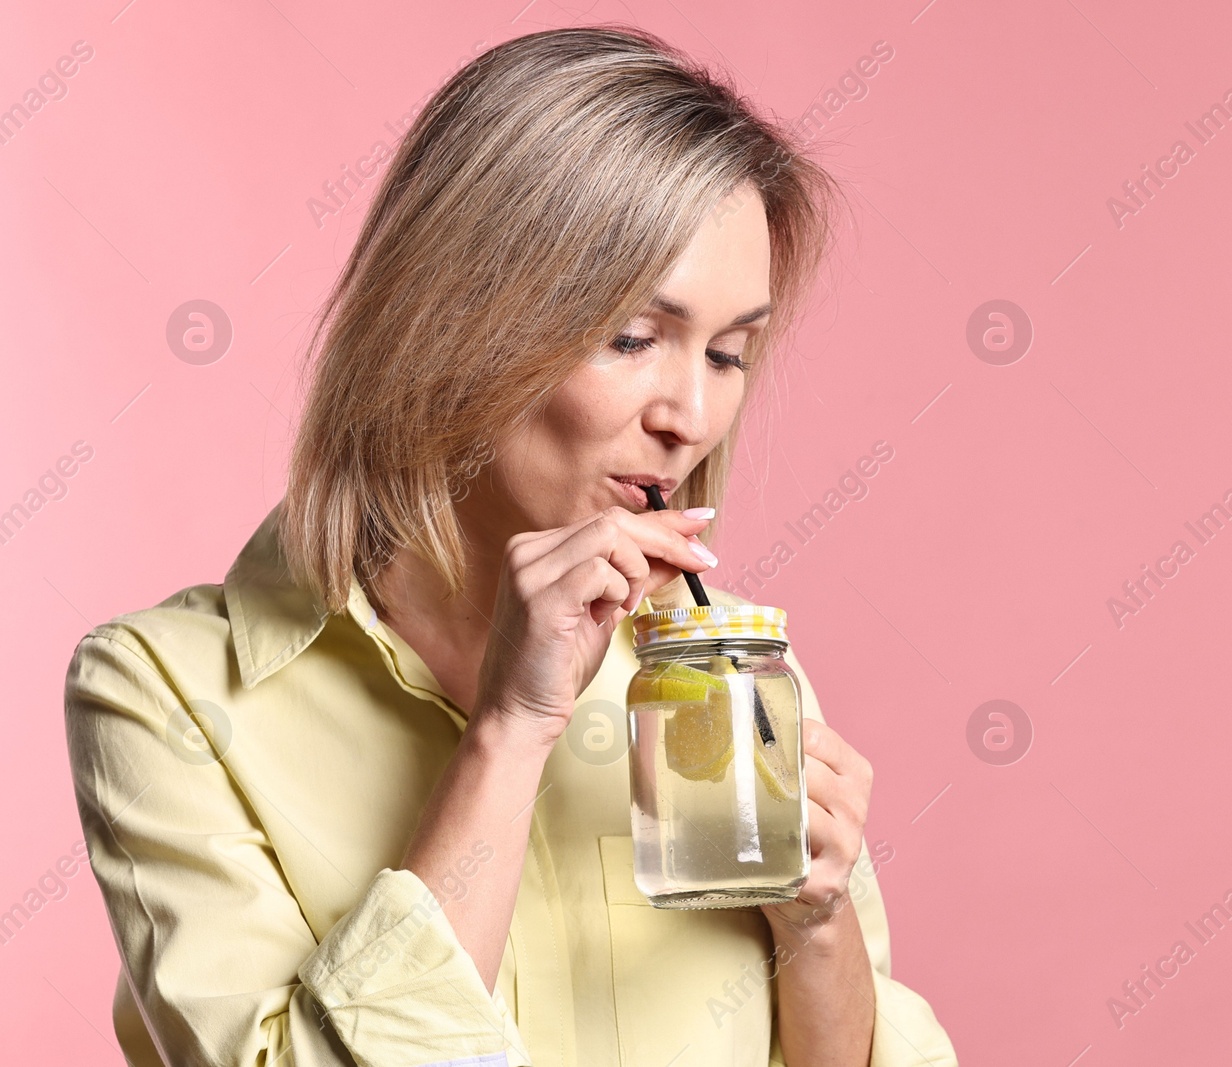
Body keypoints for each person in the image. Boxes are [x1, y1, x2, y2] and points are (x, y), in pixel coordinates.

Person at [62, 24, 958, 1067]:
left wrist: (816, 928)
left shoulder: (720, 678)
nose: (692, 414)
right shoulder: (166, 693)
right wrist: (514, 726)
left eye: (728, 353)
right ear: (453, 318)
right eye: (632, 337)